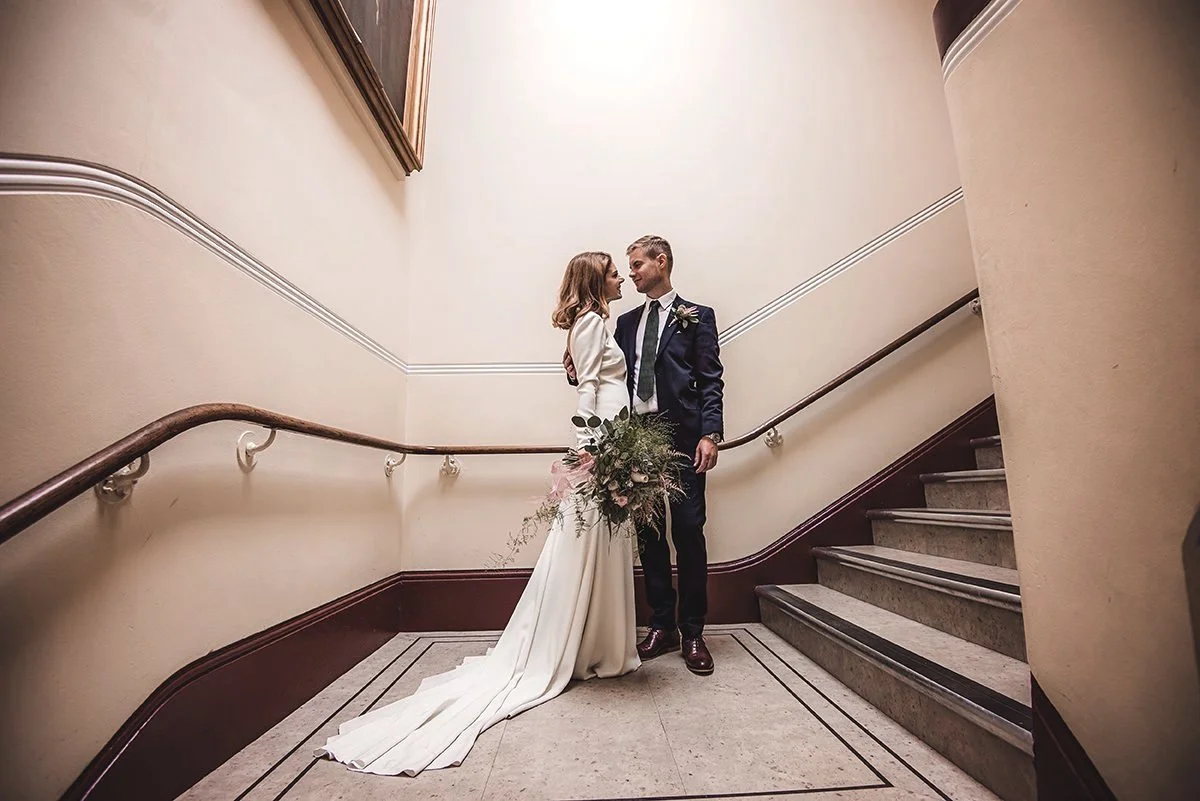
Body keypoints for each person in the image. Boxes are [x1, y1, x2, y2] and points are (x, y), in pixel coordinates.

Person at [315, 252, 639, 776]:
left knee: (601, 541)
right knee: (586, 540)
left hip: (612, 440)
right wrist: (591, 450)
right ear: (594, 281)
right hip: (598, 448)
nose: (620, 276)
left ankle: (597, 643)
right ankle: (580, 645)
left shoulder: (599, 321)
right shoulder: (590, 320)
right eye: (612, 271)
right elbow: (588, 390)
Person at [615, 235, 724, 675]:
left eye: (638, 264)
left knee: (689, 531)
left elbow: (711, 379)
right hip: (636, 438)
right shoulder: (624, 324)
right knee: (649, 535)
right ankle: (662, 626)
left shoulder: (697, 317)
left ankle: (693, 630)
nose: (632, 273)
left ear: (662, 262)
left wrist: (711, 433)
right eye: (630, 266)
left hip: (683, 438)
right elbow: (608, 375)